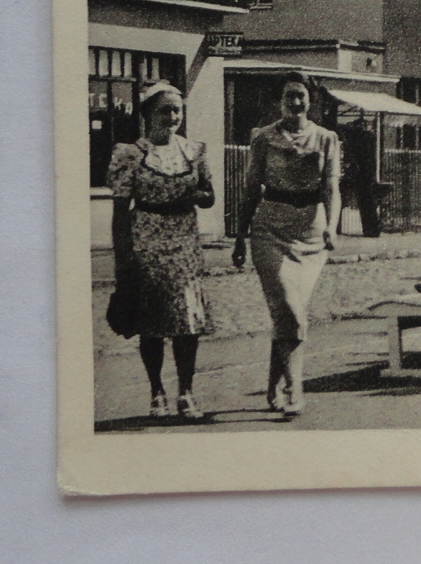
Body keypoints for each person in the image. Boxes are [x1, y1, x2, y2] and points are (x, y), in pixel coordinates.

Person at [107, 81, 218, 421]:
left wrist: (195, 197)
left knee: (188, 320)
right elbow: (119, 213)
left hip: (184, 242)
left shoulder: (193, 151)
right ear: (147, 115)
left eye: (177, 110)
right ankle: (157, 391)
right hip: (147, 242)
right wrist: (123, 260)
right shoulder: (131, 154)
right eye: (164, 110)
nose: (172, 117)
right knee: (151, 322)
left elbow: (209, 195)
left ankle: (186, 392)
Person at [233, 73, 340, 418]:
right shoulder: (264, 138)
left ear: (311, 100)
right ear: (279, 101)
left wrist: (332, 228)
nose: (295, 102)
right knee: (289, 308)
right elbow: (251, 189)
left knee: (288, 314)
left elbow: (331, 188)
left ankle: (273, 387)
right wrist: (240, 235)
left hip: (310, 234)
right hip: (269, 230)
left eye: (301, 96)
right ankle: (296, 388)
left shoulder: (326, 138)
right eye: (289, 96)